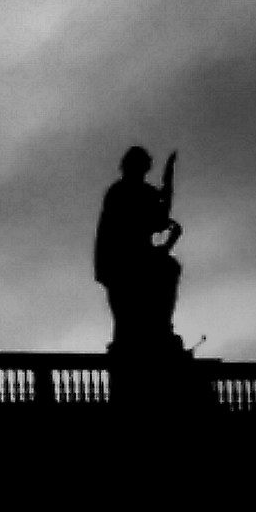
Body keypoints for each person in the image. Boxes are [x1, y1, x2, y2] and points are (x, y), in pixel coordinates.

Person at [95, 147, 184, 359]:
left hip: (141, 253)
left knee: (169, 269)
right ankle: (157, 329)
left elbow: (161, 218)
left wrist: (168, 181)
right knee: (165, 269)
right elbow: (155, 219)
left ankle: (162, 326)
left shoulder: (144, 191)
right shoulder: (119, 192)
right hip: (124, 256)